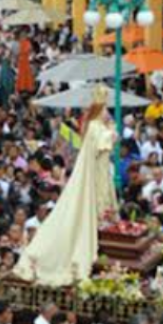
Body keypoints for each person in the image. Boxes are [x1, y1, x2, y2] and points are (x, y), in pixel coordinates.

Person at [11, 84, 117, 286]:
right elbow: (102, 143)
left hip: (101, 172)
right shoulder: (94, 125)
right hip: (93, 172)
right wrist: (112, 132)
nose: (106, 112)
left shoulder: (97, 125)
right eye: (104, 107)